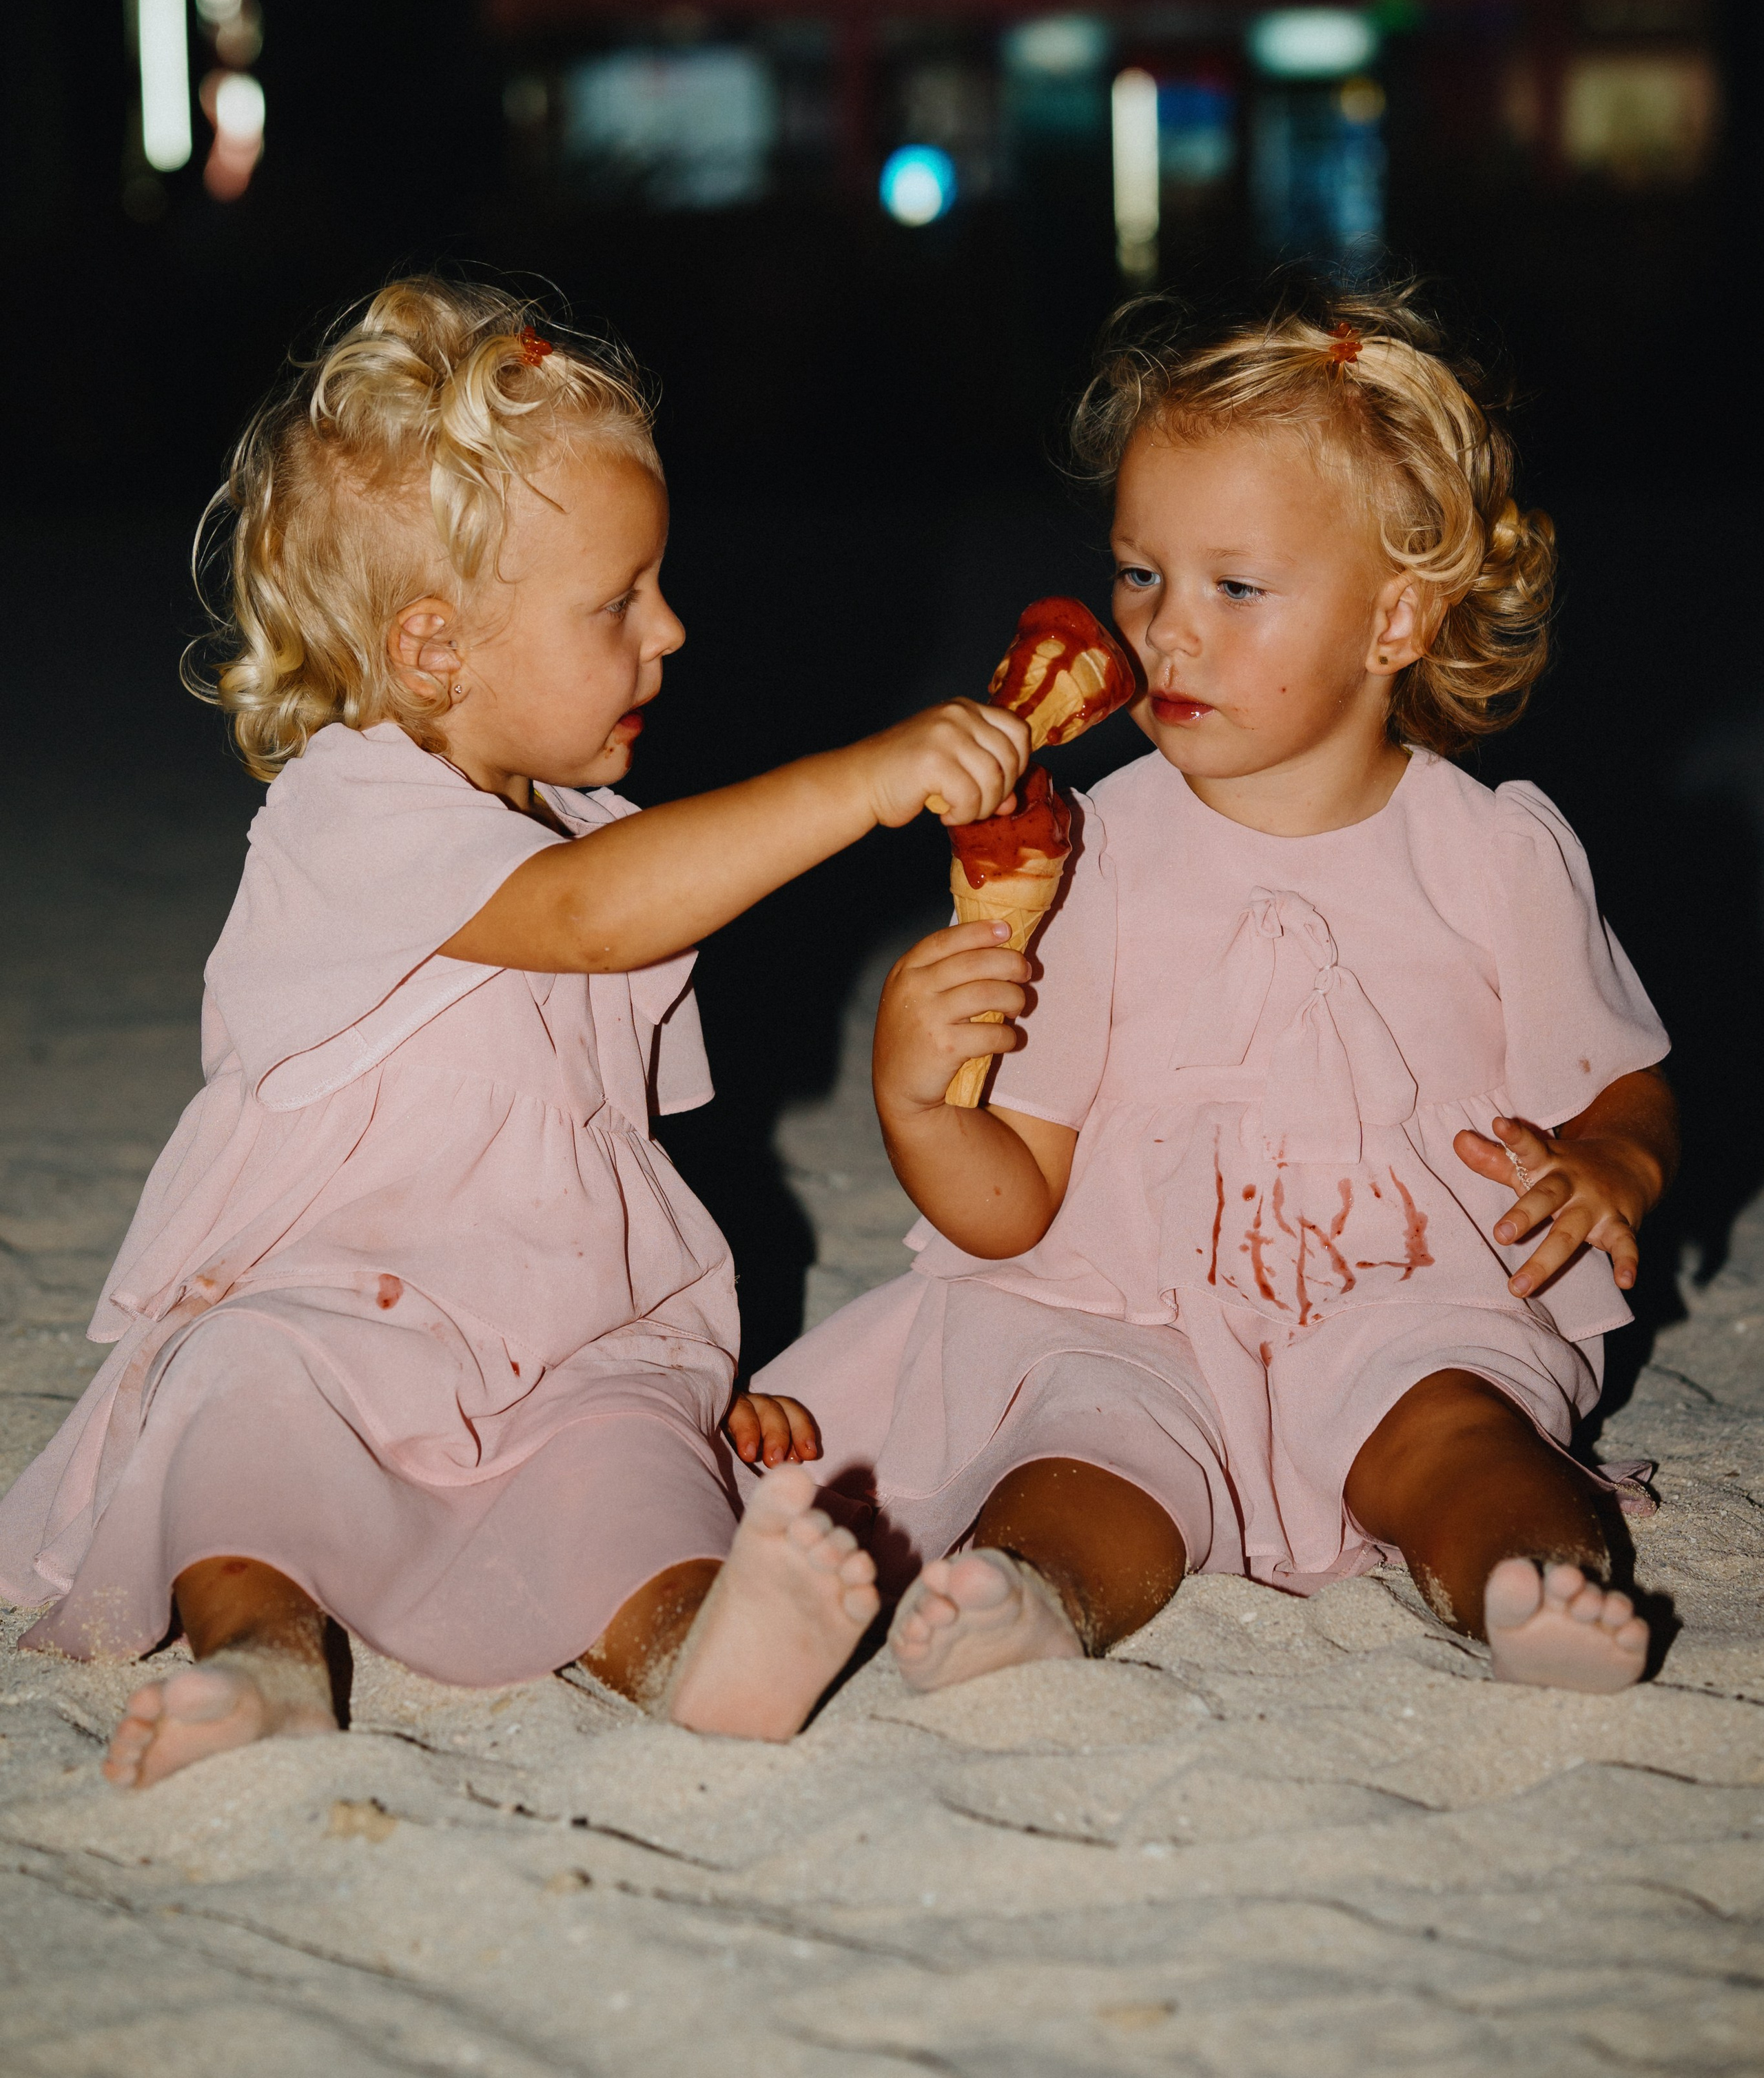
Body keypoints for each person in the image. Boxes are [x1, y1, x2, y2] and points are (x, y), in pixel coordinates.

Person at [0, 278, 1029, 1786]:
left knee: (629, 1470)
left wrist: (687, 1371)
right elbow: (593, 914)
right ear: (433, 648)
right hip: (340, 1314)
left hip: (560, 1347)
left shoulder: (594, 828)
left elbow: (604, 1156)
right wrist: (859, 781)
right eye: (618, 601)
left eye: (655, 584)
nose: (669, 629)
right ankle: (263, 1654)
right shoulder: (351, 813)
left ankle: (697, 1646)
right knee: (245, 1405)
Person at [752, 281, 1676, 1697]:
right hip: (1133, 1305)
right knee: (1089, 1446)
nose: (1163, 632)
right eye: (1139, 575)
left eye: (1232, 587)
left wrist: (1613, 1151)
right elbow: (1019, 1198)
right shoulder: (1090, 848)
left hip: (1409, 1293)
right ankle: (1029, 1594)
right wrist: (915, 1100)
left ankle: (1521, 1583)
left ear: (1394, 620)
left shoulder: (1493, 854)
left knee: (1456, 1433)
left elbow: (1616, 1078)